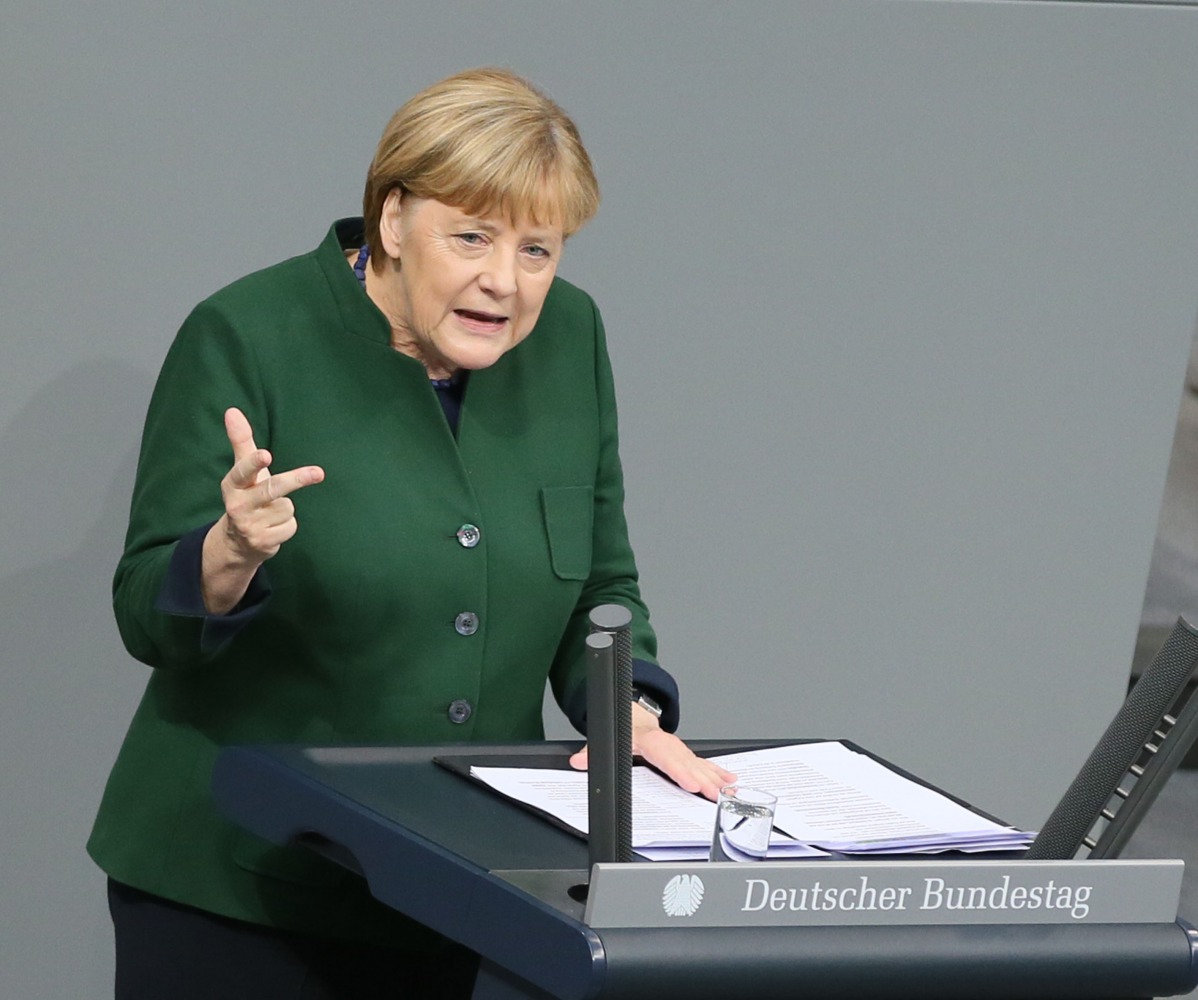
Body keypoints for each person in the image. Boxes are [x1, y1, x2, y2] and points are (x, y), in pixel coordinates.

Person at [88, 67, 734, 999]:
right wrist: (228, 552)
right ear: (393, 219)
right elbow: (146, 610)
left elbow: (599, 583)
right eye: (471, 236)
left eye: (538, 250)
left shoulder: (571, 339)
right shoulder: (248, 332)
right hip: (240, 890)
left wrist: (623, 709)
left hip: (462, 887)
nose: (503, 281)